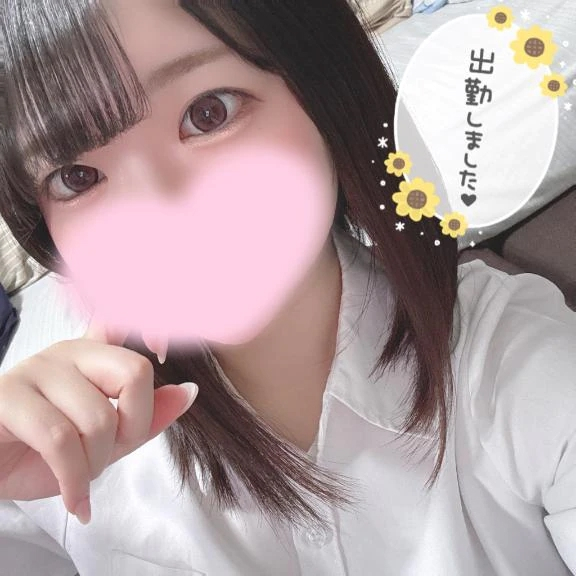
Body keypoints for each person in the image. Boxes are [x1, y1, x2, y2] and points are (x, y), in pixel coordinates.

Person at [0, 1, 575, 574]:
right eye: (76, 177)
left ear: (325, 93)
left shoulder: (519, 372)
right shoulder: (52, 464)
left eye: (209, 113)